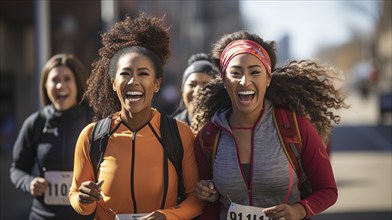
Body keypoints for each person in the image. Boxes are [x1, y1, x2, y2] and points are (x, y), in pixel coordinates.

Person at [191, 31, 348, 220]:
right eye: (235, 73)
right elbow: (208, 206)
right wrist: (208, 193)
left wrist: (299, 210)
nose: (244, 81)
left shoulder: (294, 127)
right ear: (224, 80)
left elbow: (327, 190)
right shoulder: (209, 135)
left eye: (255, 72)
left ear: (268, 79)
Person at [69, 13, 204, 220]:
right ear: (113, 83)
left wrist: (167, 216)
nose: (133, 81)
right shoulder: (92, 136)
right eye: (125, 74)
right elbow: (75, 195)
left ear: (156, 84)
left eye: (143, 73)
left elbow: (196, 200)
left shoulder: (180, 134)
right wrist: (83, 200)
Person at [10, 54, 92, 220]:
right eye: (54, 80)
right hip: (42, 216)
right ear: (46, 86)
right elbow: (17, 169)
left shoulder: (95, 122)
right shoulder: (36, 123)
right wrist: (29, 183)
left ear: (78, 84)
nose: (60, 85)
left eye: (67, 79)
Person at [171, 53, 219, 125]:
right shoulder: (169, 128)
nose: (198, 90)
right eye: (192, 85)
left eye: (206, 85)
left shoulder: (225, 127)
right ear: (182, 91)